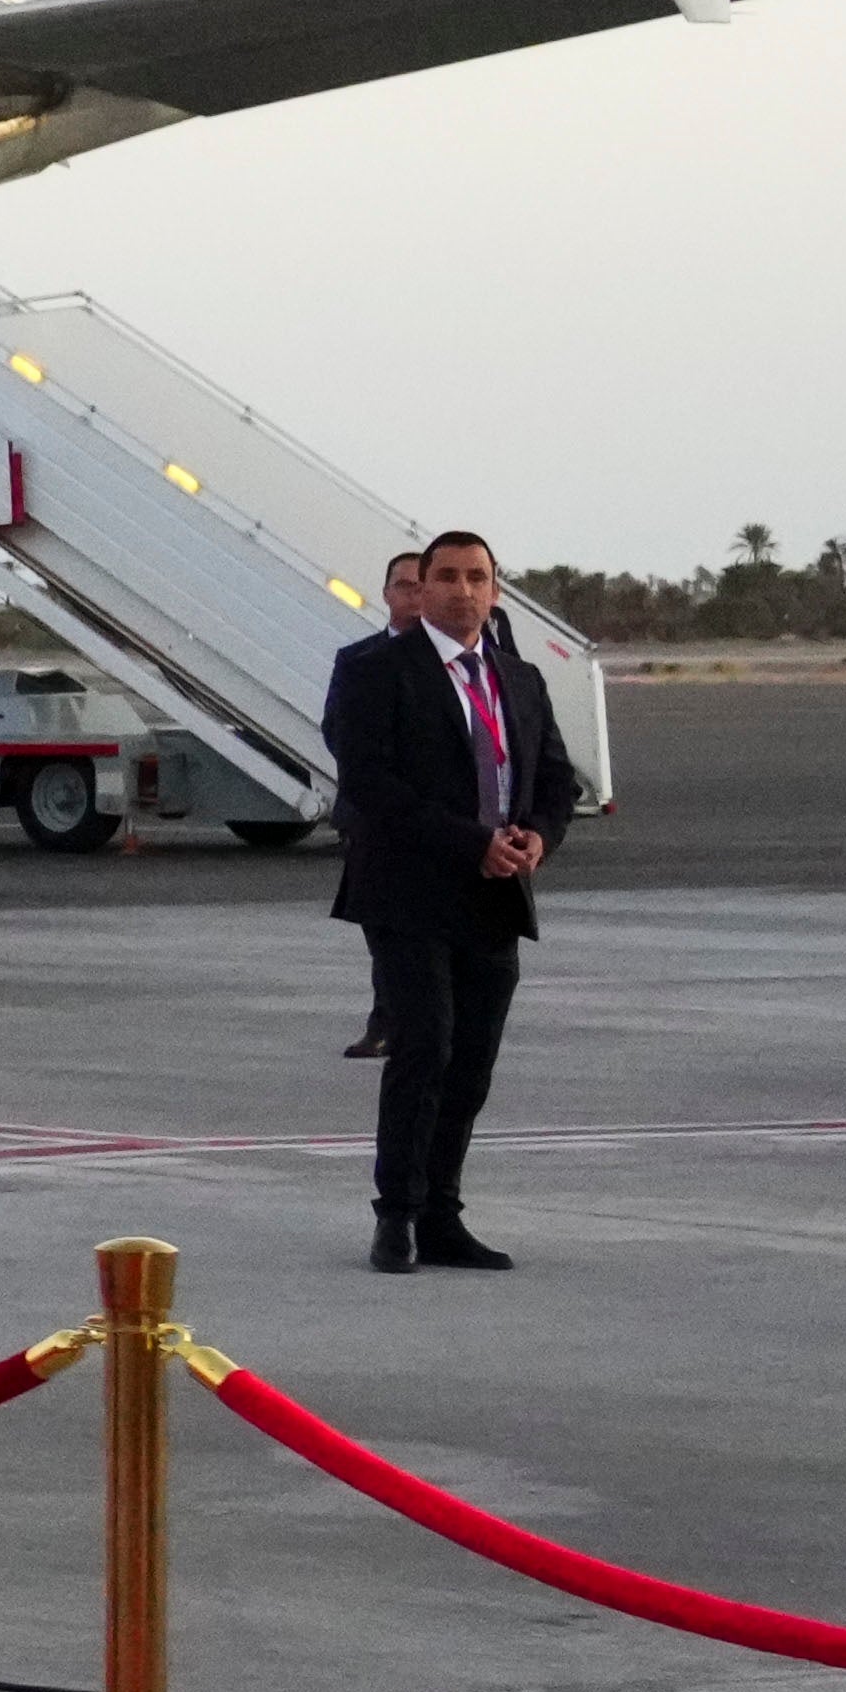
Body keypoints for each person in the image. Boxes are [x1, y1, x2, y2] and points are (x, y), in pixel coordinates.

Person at [329, 524, 575, 1272]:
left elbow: (558, 779)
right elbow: (369, 783)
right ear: (420, 587)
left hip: (495, 894)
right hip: (406, 892)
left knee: (471, 1060)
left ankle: (442, 1213)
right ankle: (395, 1215)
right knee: (423, 1045)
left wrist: (538, 837)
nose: (462, 590)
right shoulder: (373, 667)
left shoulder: (518, 678)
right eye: (446, 576)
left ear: (494, 590)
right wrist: (472, 841)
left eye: (477, 577)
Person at [339, 548, 426, 1060]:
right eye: (403, 586)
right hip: (375, 820)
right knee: (384, 930)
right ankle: (386, 1020)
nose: (413, 595)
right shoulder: (358, 660)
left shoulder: (459, 660)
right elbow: (338, 730)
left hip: (437, 821)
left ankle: (404, 1021)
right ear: (387, 593)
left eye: (421, 585)